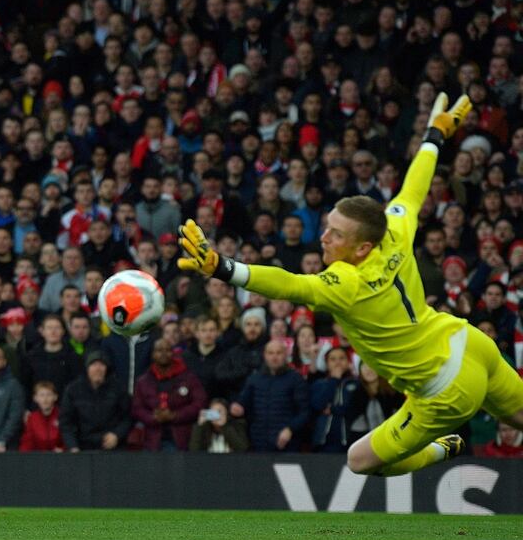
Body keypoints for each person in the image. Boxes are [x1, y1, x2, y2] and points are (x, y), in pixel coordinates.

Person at [180, 94, 523, 474]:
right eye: (327, 227)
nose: (324, 238)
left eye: (336, 235)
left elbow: (289, 285)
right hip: (469, 342)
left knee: (360, 461)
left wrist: (222, 267)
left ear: (361, 247)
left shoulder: (346, 281)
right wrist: (435, 135)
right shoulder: (393, 229)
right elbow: (413, 191)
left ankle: (442, 449)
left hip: (445, 390)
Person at [231, 341, 310, 453]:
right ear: (265, 355)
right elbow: (243, 402)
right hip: (258, 442)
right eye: (270, 353)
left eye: (279, 353)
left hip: (288, 443)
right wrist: (237, 407)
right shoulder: (254, 379)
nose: (274, 357)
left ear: (286, 355)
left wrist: (290, 429)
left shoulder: (296, 379)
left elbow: (304, 412)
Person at [132, 338, 207, 452]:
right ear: (152, 354)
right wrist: (153, 417)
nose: (163, 354)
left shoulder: (188, 377)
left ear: (173, 353)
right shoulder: (143, 381)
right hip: (151, 441)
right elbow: (137, 408)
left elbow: (200, 403)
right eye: (159, 350)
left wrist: (175, 415)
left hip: (181, 439)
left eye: (167, 350)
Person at [59, 353, 132, 452]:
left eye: (102, 365)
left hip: (112, 447)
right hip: (82, 447)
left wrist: (117, 435)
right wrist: (73, 447)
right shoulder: (73, 390)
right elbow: (66, 423)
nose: (98, 369)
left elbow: (128, 417)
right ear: (87, 368)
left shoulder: (118, 389)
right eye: (93, 364)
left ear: (107, 369)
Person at [19, 381, 64, 452]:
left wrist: (63, 449)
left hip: (60, 458)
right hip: (38, 459)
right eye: (41, 395)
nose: (45, 399)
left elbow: (68, 438)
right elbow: (27, 442)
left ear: (55, 397)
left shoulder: (63, 416)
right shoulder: (32, 418)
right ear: (35, 398)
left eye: (49, 395)